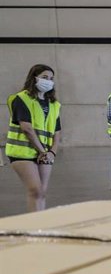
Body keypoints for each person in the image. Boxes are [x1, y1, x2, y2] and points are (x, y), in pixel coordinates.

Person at [5, 64, 62, 212]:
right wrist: (43, 151)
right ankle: (34, 224)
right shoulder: (21, 99)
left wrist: (52, 152)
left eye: (51, 78)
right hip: (22, 153)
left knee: (42, 193)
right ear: (34, 78)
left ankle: (40, 223)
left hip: (45, 153)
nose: (48, 81)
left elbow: (57, 132)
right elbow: (27, 128)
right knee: (35, 191)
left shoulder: (54, 104)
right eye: (44, 77)